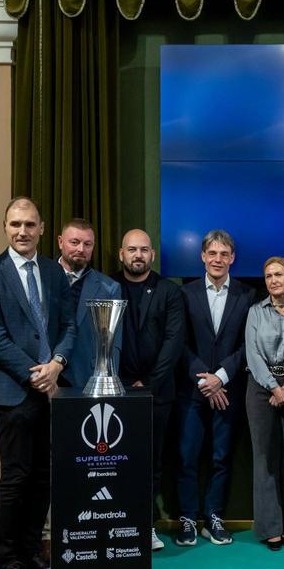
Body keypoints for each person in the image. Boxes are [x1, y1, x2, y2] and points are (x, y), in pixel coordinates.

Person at [0, 197, 75, 569]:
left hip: (53, 389)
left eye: (30, 224)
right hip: (12, 391)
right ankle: (9, 562)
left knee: (45, 477)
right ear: (5, 227)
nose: (22, 231)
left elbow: (70, 326)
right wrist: (37, 375)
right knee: (16, 477)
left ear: (42, 229)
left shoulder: (53, 272)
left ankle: (32, 553)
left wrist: (58, 363)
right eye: (15, 224)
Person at [177, 230, 255, 546]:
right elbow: (179, 343)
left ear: (232, 258)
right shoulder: (185, 293)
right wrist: (204, 379)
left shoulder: (247, 295)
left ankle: (213, 516)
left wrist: (220, 377)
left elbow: (247, 345)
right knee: (187, 457)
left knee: (221, 457)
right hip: (192, 391)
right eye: (212, 253)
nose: (218, 259)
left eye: (224, 254)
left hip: (228, 391)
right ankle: (186, 519)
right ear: (203, 257)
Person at [114, 229, 185, 552]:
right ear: (121, 254)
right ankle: (118, 523)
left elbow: (173, 342)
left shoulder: (169, 292)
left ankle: (147, 525)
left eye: (144, 250)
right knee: (117, 462)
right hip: (116, 391)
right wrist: (126, 383)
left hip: (158, 393)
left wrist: (150, 384)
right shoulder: (107, 287)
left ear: (152, 255)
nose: (138, 255)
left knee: (153, 463)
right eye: (132, 249)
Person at [244, 257, 284, 550]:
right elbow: (253, 353)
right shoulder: (255, 312)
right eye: (268, 276)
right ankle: (271, 528)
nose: (273, 280)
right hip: (260, 390)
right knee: (265, 459)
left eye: (279, 274)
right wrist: (273, 387)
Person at [57, 218, 122, 388]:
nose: (81, 249)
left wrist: (107, 381)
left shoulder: (109, 288)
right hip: (43, 378)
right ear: (60, 242)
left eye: (88, 244)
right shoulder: (40, 278)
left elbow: (113, 343)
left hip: (86, 379)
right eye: (74, 242)